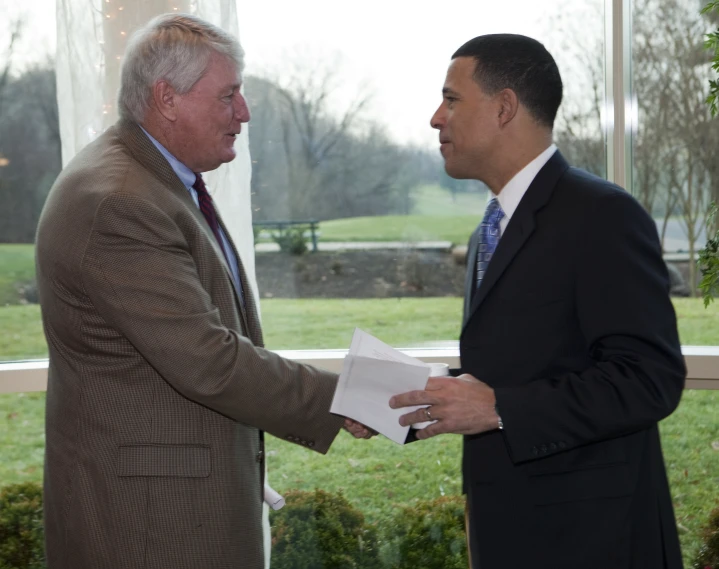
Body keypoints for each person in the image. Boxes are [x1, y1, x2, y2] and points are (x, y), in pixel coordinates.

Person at [35, 13, 371, 569]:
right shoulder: (119, 200)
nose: (244, 112)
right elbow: (209, 361)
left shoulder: (150, 182)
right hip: (150, 527)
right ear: (167, 98)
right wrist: (346, 399)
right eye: (230, 96)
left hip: (166, 509)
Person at [390, 34, 686, 569]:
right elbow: (518, 362)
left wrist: (500, 408)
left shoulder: (603, 216)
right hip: (514, 529)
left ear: (504, 107)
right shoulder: (491, 227)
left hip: (593, 541)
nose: (437, 118)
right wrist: (408, 396)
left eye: (452, 99)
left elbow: (650, 379)